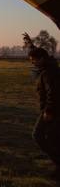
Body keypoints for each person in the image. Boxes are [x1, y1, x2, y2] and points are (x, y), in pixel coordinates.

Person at [30, 47, 60, 179]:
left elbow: (52, 93)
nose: (32, 63)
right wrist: (32, 46)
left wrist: (48, 110)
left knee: (38, 135)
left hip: (52, 110)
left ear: (42, 59)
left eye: (33, 60)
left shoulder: (48, 72)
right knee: (54, 138)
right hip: (54, 109)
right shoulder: (51, 67)